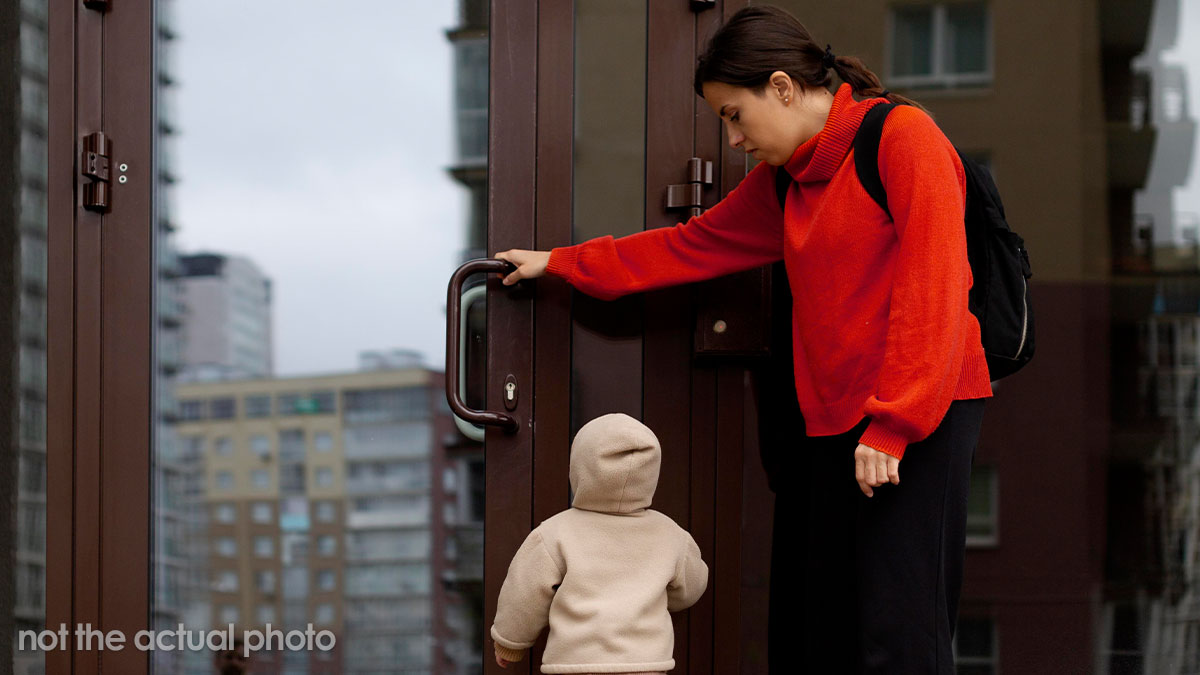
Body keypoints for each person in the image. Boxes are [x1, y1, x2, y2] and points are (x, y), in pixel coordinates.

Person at [494, 5, 991, 673]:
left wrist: (894, 423)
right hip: (835, 426)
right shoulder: (787, 182)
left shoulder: (903, 140)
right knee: (820, 626)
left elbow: (936, 285)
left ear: (782, 87)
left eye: (734, 114)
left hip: (916, 417)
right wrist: (560, 262)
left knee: (900, 630)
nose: (733, 139)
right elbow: (687, 247)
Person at [490, 413, 708, 674]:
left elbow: (524, 594)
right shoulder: (671, 534)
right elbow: (691, 587)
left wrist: (510, 643)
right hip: (645, 665)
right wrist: (658, 594)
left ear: (579, 469)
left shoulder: (554, 531)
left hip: (574, 664)